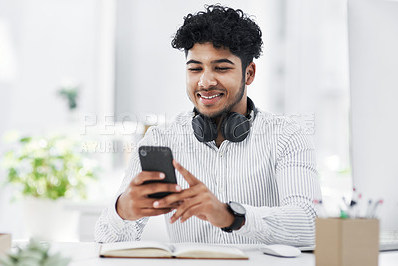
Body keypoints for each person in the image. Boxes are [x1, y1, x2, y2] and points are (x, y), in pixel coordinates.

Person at [95, 4, 322, 246]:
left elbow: (311, 225)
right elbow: (106, 239)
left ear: (249, 73)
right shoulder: (160, 140)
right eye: (195, 69)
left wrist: (230, 216)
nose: (205, 81)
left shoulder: (287, 136)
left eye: (221, 68)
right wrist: (123, 211)